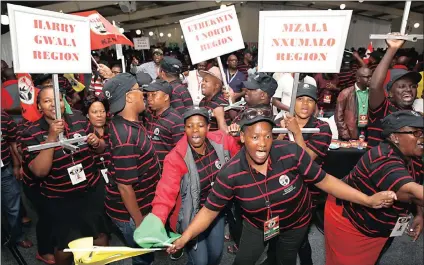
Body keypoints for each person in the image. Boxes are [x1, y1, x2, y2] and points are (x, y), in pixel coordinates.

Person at [167, 107, 397, 265]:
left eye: (267, 136)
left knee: (285, 261)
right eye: (255, 137)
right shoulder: (231, 173)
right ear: (243, 139)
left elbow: (326, 181)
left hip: (296, 223)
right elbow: (208, 211)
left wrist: (368, 200)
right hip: (257, 225)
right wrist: (184, 238)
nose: (262, 143)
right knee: (244, 261)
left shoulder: (290, 153)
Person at [20, 85, 109, 265]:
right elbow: (39, 171)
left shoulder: (78, 119)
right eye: (47, 101)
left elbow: (102, 148)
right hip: (60, 199)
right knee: (66, 248)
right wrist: (52, 138)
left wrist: (96, 142)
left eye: (58, 99)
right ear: (39, 107)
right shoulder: (30, 133)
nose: (54, 104)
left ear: (64, 102)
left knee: (100, 238)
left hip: (91, 191)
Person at [140, 107, 240, 265]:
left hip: (215, 211)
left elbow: (240, 160)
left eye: (200, 125)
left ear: (208, 127)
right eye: (189, 126)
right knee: (200, 262)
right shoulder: (175, 158)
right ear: (184, 129)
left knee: (216, 255)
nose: (195, 130)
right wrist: (156, 222)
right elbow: (165, 194)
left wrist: (238, 138)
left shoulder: (222, 141)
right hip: (190, 217)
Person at [325, 110, 424, 265]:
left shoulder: (411, 155)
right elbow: (412, 192)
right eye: (416, 132)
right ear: (394, 137)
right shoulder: (383, 158)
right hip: (350, 222)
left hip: (377, 224)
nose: (422, 137)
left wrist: (419, 214)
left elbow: (412, 186)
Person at [103, 73, 161, 265]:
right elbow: (125, 187)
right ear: (128, 97)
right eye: (138, 89)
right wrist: (140, 222)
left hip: (142, 206)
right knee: (143, 258)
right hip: (132, 214)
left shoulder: (130, 123)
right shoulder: (125, 136)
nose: (143, 93)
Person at [277, 83, 332, 265]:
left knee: (298, 237)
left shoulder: (322, 127)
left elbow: (307, 160)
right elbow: (271, 151)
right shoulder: (279, 123)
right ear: (292, 102)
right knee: (284, 237)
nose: (305, 104)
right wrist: (280, 132)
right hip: (280, 189)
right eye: (300, 99)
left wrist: (296, 132)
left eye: (310, 100)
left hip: (306, 192)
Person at [367, 35, 422, 148]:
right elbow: (374, 86)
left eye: (413, 86)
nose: (408, 89)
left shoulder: (416, 115)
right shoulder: (383, 110)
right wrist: (392, 49)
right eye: (402, 86)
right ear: (390, 93)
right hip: (381, 164)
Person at [1, 110, 33, 249]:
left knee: (13, 207)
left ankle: (17, 237)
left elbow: (13, 143)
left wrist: (17, 165)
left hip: (4, 171)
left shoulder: (3, 117)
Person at [143, 79, 185, 167]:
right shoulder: (148, 115)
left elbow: (181, 153)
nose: (149, 98)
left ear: (166, 97)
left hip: (167, 172)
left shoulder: (176, 121)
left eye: (154, 95)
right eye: (148, 95)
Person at [335, 67, 373, 140]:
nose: (370, 79)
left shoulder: (373, 93)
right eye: (367, 77)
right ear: (358, 79)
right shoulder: (345, 93)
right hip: (351, 132)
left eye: (371, 76)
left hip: (368, 131)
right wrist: (343, 132)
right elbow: (338, 115)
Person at [82, 95, 111, 185]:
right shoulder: (83, 134)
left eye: (102, 111)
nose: (99, 115)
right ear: (87, 115)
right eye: (95, 112)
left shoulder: (113, 130)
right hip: (93, 182)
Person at [199, 67, 234, 132]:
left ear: (216, 86)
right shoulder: (202, 101)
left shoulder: (222, 103)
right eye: (203, 81)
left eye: (206, 81)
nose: (202, 83)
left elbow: (226, 132)